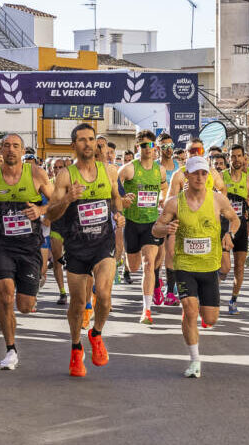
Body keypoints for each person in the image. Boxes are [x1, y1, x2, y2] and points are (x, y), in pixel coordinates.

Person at [46, 123, 125, 377]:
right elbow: (51, 214)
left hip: (103, 243)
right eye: (82, 140)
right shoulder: (65, 176)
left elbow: (116, 198)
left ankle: (96, 333)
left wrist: (119, 213)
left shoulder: (109, 171)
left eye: (91, 139)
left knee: (104, 294)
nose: (88, 144)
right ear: (74, 145)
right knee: (78, 304)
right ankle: (76, 347)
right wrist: (68, 199)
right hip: (76, 246)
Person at [152, 156, 239, 378]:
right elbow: (155, 229)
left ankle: (196, 308)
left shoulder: (217, 199)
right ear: (186, 176)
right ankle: (194, 360)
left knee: (210, 319)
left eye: (203, 173)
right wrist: (166, 229)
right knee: (190, 311)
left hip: (209, 266)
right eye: (195, 173)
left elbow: (234, 219)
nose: (200, 177)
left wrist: (229, 234)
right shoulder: (174, 203)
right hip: (184, 265)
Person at [0, 134, 52, 370]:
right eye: (6, 146)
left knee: (25, 306)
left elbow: (58, 201)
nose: (10, 150)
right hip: (2, 244)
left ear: (22, 151)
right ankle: (10, 350)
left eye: (15, 146)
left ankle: (17, 300)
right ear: (0, 151)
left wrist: (40, 210)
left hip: (29, 246)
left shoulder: (36, 173)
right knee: (6, 294)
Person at [119, 130, 169, 324]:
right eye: (143, 145)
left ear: (155, 147)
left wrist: (163, 198)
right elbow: (115, 185)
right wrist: (123, 198)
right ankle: (127, 259)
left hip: (151, 223)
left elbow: (164, 187)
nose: (148, 149)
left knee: (149, 263)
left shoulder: (160, 170)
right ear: (137, 147)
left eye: (151, 145)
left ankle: (146, 310)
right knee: (133, 267)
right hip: (132, 223)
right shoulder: (130, 169)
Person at [221, 144, 249, 315]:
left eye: (239, 156)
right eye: (233, 156)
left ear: (244, 158)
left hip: (240, 227)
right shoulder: (221, 177)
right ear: (228, 158)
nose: (236, 159)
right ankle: (214, 284)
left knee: (239, 267)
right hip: (223, 226)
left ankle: (233, 300)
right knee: (225, 267)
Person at [158, 133, 180, 302]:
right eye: (165, 147)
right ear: (159, 148)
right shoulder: (154, 166)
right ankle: (156, 283)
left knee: (171, 251)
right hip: (156, 213)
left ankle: (170, 289)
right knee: (158, 254)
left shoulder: (179, 167)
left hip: (175, 213)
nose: (169, 149)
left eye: (171, 146)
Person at [49, 158, 69, 305]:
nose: (57, 170)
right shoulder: (48, 184)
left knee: (74, 262)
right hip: (55, 226)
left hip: (71, 227)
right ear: (51, 169)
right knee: (57, 261)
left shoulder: (71, 183)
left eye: (60, 167)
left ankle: (77, 290)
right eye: (55, 167)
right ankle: (62, 292)